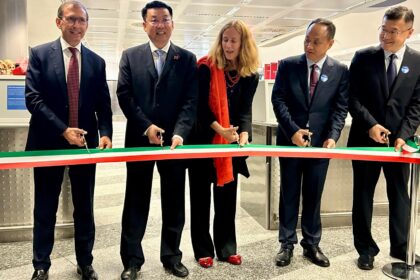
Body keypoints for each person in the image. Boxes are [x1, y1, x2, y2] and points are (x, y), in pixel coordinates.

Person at [25, 1, 113, 280]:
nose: (77, 25)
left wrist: (107, 133)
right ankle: (41, 265)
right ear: (59, 22)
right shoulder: (39, 55)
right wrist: (63, 129)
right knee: (45, 206)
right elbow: (33, 100)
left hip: (85, 146)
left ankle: (85, 262)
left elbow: (103, 104)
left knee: (84, 207)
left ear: (87, 25)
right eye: (71, 19)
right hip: (48, 143)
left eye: (82, 20)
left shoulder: (97, 62)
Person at [116, 1, 198, 279]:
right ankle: (131, 260)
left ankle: (172, 257)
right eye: (154, 20)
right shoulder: (130, 56)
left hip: (175, 142)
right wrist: (146, 126)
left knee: (174, 200)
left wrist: (180, 132)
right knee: (135, 200)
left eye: (165, 19)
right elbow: (124, 95)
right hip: (139, 140)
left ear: (172, 23)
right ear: (144, 25)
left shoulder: (187, 59)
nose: (160, 25)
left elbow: (190, 101)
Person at [271, 18, 349, 268]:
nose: (309, 45)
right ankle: (286, 243)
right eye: (307, 39)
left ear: (330, 43)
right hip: (290, 141)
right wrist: (292, 131)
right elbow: (278, 101)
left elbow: (340, 107)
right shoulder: (288, 66)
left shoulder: (339, 71)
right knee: (289, 193)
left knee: (314, 195)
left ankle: (311, 243)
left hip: (320, 145)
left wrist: (333, 136)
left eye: (316, 41)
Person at [348, 6, 420, 270]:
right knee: (363, 195)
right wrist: (370, 124)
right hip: (365, 139)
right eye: (383, 29)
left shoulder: (417, 61)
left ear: (409, 33)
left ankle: (401, 246)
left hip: (400, 146)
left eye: (394, 31)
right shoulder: (363, 57)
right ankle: (365, 249)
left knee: (401, 195)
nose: (386, 36)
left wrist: (403, 136)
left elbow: (417, 104)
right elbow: (352, 97)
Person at [187, 20, 259, 268]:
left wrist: (245, 133)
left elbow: (245, 110)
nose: (228, 45)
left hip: (229, 147)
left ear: (243, 44)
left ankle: (227, 248)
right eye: (225, 39)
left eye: (233, 40)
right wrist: (220, 130)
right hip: (203, 141)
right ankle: (202, 250)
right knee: (200, 199)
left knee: (227, 199)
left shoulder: (250, 75)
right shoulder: (205, 68)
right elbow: (199, 108)